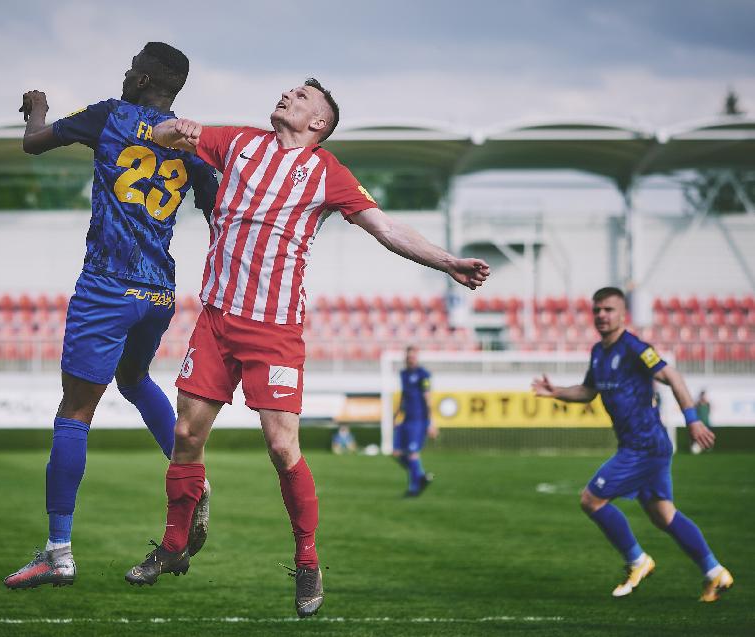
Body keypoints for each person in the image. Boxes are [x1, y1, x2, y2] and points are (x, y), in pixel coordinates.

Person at [122, 78, 490, 617]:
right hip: (216, 319)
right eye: (288, 92)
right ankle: (175, 546)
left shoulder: (326, 172)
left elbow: (386, 228)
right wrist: (173, 128)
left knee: (281, 447)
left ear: (318, 122)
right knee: (185, 434)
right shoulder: (238, 141)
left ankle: (307, 560)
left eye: (301, 97)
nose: (286, 97)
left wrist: (448, 261)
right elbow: (167, 136)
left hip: (273, 330)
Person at [3, 42, 219, 590]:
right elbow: (217, 209)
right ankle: (191, 476)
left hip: (107, 283)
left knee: (75, 413)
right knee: (135, 378)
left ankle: (58, 552)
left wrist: (37, 107)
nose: (125, 74)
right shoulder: (192, 144)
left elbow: (33, 143)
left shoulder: (111, 115)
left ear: (143, 79)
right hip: (159, 291)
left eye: (131, 69)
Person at [531, 287, 733, 602]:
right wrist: (555, 391)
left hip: (644, 445)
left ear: (622, 314)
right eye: (597, 310)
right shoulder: (598, 352)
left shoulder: (635, 348)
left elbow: (673, 376)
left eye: (608, 309)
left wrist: (692, 420)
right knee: (663, 515)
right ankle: (715, 572)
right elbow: (587, 391)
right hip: (641, 445)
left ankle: (638, 561)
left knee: (591, 500)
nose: (601, 315)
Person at [393, 346, 438, 497]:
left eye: (413, 357)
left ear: (417, 358)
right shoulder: (403, 374)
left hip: (418, 420)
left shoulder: (423, 375)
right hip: (406, 419)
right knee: (396, 452)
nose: (410, 359)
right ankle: (421, 476)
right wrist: (397, 414)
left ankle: (414, 488)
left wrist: (431, 422)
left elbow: (428, 398)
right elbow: (404, 395)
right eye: (408, 357)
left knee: (412, 453)